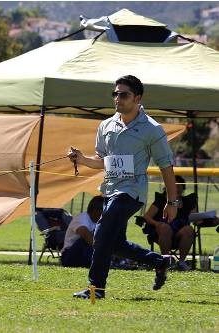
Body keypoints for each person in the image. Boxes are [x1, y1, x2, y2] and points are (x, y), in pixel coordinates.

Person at [68, 75, 179, 300]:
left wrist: (172, 201)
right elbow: (102, 160)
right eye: (115, 94)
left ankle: (95, 288)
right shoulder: (105, 125)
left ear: (137, 98)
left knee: (100, 234)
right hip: (109, 190)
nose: (117, 98)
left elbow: (166, 167)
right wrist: (81, 159)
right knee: (115, 243)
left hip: (131, 192)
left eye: (124, 94)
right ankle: (159, 262)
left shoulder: (152, 129)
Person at [143, 175, 196, 271]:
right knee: (164, 227)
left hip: (180, 233)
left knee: (189, 229)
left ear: (183, 189)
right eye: (174, 186)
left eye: (179, 187)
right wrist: (157, 224)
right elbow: (147, 216)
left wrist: (210, 219)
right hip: (161, 232)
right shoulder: (161, 200)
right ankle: (165, 261)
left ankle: (181, 262)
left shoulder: (188, 202)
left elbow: (196, 217)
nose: (177, 189)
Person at [61, 196, 104, 268]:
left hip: (84, 254)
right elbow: (87, 237)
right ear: (95, 210)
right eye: (104, 210)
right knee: (86, 240)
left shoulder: (100, 221)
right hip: (70, 256)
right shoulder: (82, 218)